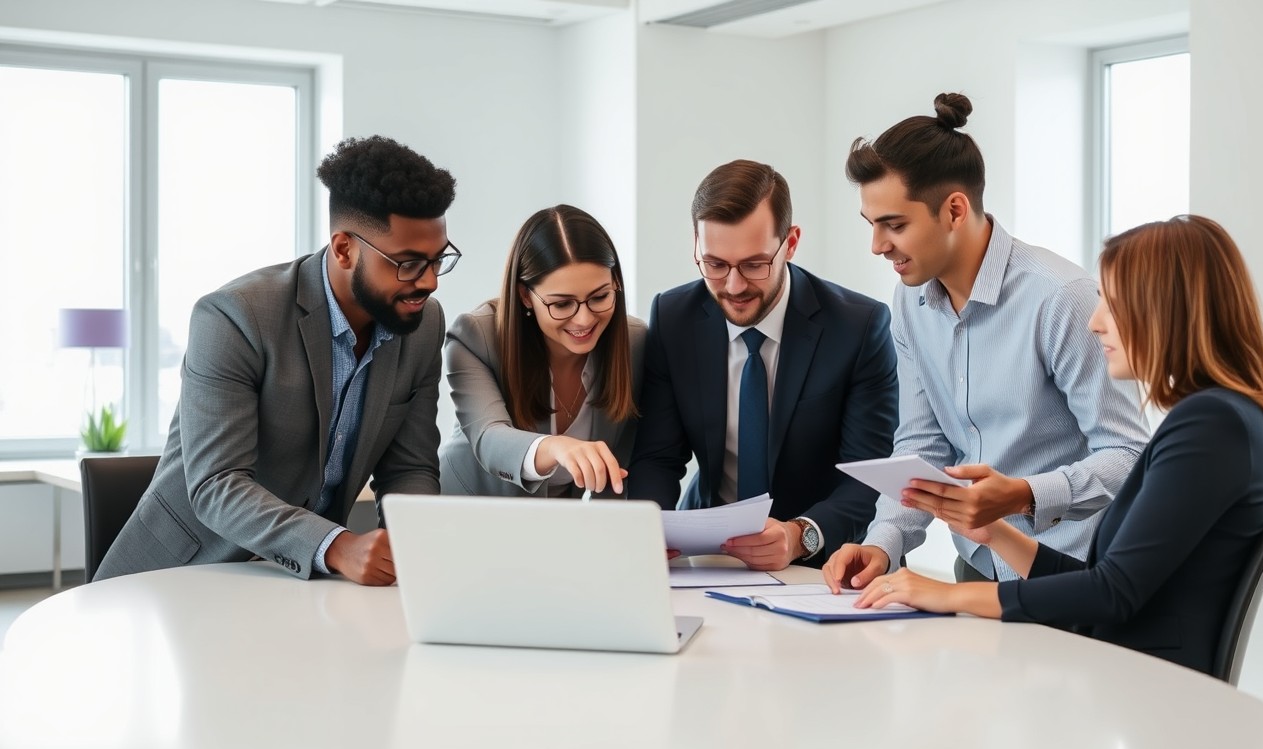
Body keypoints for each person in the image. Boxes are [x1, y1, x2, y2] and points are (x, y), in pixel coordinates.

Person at [858, 215, 1263, 676]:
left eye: (1113, 303)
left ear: (1168, 310)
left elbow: (1110, 594)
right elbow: (1102, 583)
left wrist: (947, 594)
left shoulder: (1212, 426)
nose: (1095, 323)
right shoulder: (1218, 420)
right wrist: (995, 532)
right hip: (1123, 670)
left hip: (1147, 689)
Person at [96, 135, 457, 586]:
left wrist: (411, 544)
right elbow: (217, 485)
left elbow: (409, 467)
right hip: (181, 575)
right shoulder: (234, 316)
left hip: (304, 586)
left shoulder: (422, 324)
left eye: (437, 260)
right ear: (344, 248)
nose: (429, 283)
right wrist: (338, 546)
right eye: (406, 263)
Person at [822, 93, 1150, 589]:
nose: (878, 245)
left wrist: (1024, 494)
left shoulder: (1060, 298)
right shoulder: (910, 302)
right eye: (872, 226)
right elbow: (923, 442)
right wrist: (882, 543)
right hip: (974, 568)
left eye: (895, 225)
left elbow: (1128, 455)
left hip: (1073, 574)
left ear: (955, 209)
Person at [627, 159, 900, 570]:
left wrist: (799, 535)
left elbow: (867, 477)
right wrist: (652, 533)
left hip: (825, 560)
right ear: (696, 248)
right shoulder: (673, 316)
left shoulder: (858, 327)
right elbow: (657, 456)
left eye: (755, 264)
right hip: (706, 553)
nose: (734, 287)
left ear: (790, 243)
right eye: (715, 264)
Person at [439, 204, 642, 498]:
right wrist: (556, 446)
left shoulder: (636, 343)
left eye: (600, 297)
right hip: (464, 513)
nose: (584, 319)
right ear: (525, 296)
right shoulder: (476, 336)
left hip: (560, 528)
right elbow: (489, 438)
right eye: (561, 304)